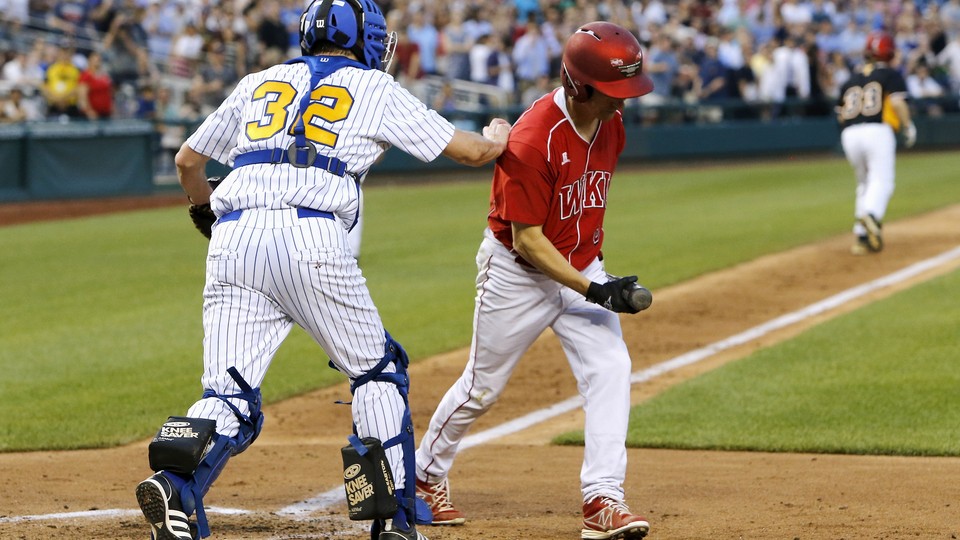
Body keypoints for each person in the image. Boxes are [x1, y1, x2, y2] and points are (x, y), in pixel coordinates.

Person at [132, 0, 510, 539]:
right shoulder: (372, 86)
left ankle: (176, 486)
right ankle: (394, 524)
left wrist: (204, 213)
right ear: (366, 40)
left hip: (233, 237)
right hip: (310, 235)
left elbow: (188, 162)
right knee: (377, 371)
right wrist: (497, 136)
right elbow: (471, 152)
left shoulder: (259, 80)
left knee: (229, 393)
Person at [415, 21, 654, 540]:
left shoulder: (611, 125)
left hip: (582, 265)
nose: (622, 103)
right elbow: (528, 241)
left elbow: (582, 208)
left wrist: (592, 275)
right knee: (482, 388)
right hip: (517, 276)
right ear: (578, 86)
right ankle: (423, 477)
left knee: (612, 368)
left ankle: (602, 499)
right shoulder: (532, 139)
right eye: (613, 92)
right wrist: (595, 289)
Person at [836, 31, 915, 255]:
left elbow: (840, 115)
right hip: (877, 130)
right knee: (882, 182)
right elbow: (898, 103)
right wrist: (908, 126)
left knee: (864, 184)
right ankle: (871, 216)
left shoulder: (850, 79)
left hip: (850, 134)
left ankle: (861, 237)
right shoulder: (890, 74)